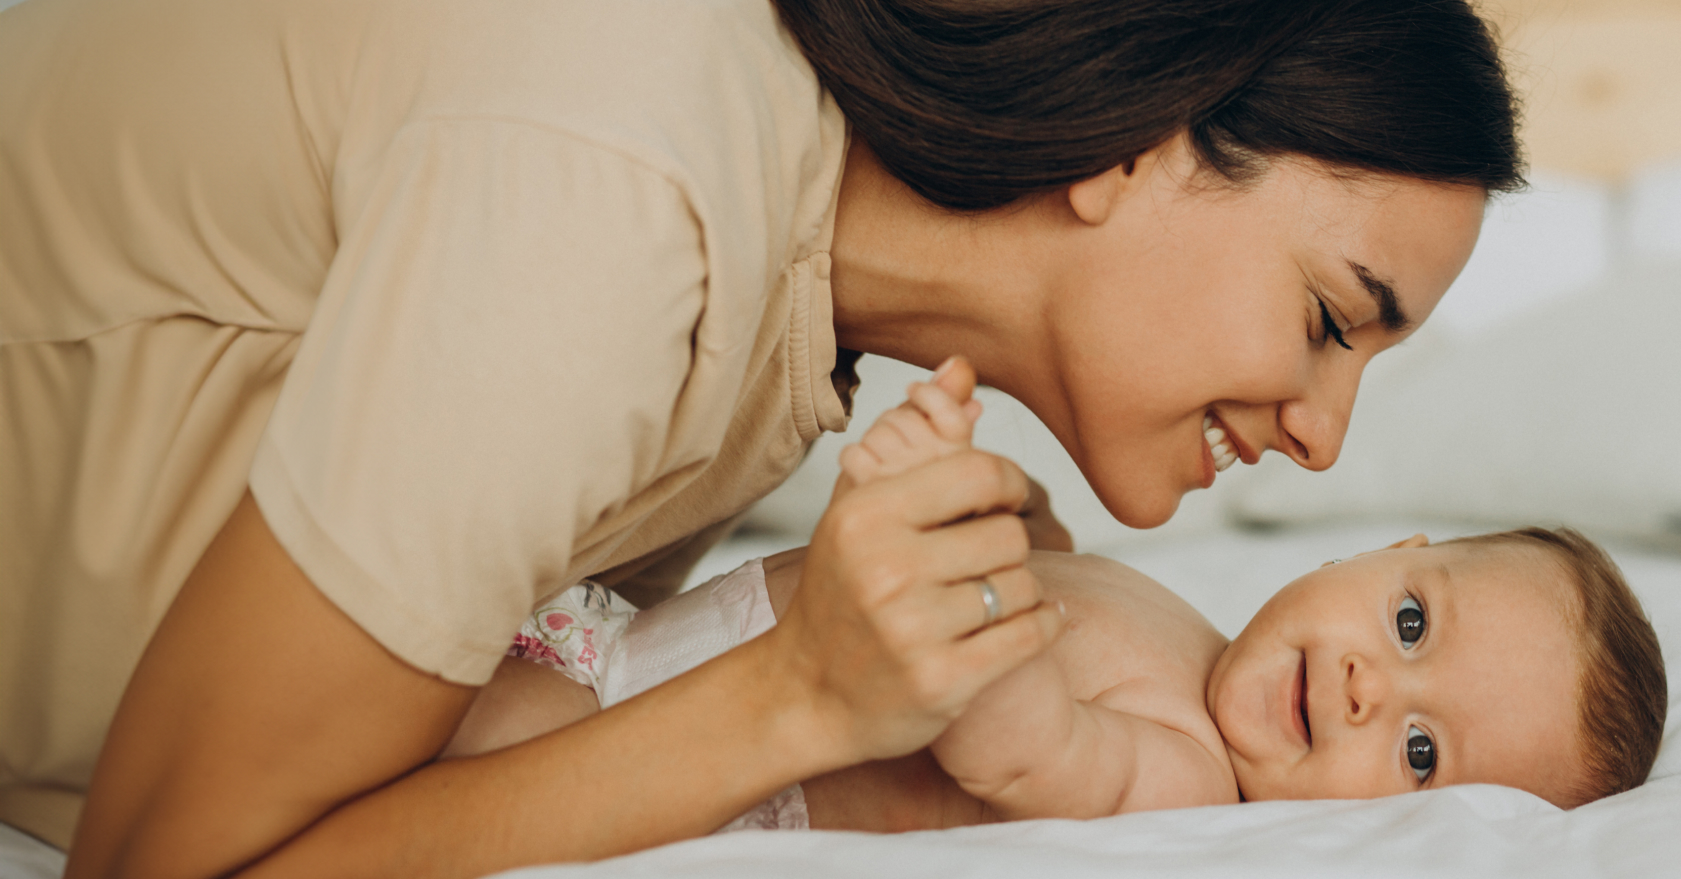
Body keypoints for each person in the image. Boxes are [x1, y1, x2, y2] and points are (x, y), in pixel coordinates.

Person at [0, 0, 1522, 871]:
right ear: (1138, 143)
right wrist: (797, 696)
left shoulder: (798, 335)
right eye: (1334, 318)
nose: (1327, 441)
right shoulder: (619, 200)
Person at [447, 372, 1668, 829]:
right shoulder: (1188, 635)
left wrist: (949, 538)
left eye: (1418, 750)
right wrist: (1021, 520)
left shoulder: (1187, 775)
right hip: (620, 645)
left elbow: (1022, 745)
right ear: (1388, 554)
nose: (1368, 686)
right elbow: (1069, 595)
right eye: (1410, 625)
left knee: (405, 773)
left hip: (664, 758)